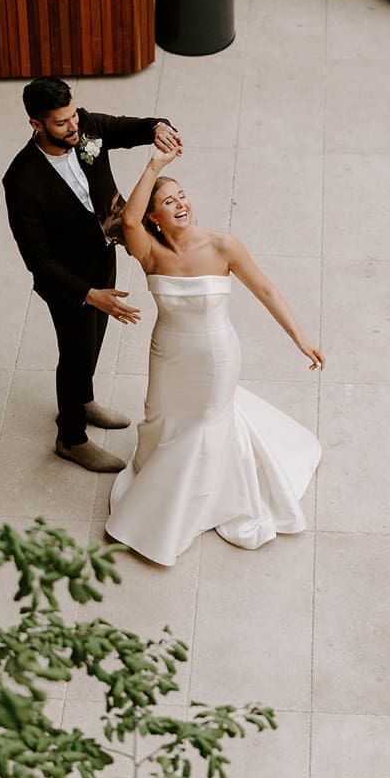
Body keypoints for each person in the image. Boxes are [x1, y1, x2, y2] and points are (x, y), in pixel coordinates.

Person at [103, 142, 324, 567]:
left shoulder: (223, 245)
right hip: (167, 352)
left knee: (205, 425)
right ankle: (163, 480)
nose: (181, 204)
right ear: (154, 217)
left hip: (216, 355)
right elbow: (127, 218)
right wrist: (155, 165)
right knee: (161, 417)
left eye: (182, 195)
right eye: (168, 201)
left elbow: (265, 290)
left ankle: (196, 501)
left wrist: (299, 337)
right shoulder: (149, 251)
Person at [2, 78, 180, 472]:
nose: (74, 126)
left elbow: (131, 128)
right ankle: (70, 437)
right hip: (67, 281)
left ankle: (84, 399)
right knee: (75, 352)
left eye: (73, 115)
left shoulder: (86, 126)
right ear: (37, 125)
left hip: (103, 257)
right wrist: (88, 293)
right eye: (62, 122)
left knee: (94, 341)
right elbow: (38, 261)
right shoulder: (21, 181)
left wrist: (158, 128)